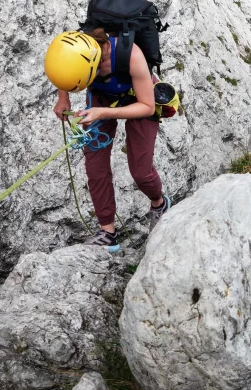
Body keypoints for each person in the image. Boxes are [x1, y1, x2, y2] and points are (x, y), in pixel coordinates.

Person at [51, 27, 169, 252]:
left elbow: (147, 106)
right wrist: (63, 97)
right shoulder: (78, 49)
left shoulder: (132, 56)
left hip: (139, 98)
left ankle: (159, 204)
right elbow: (63, 67)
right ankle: (107, 232)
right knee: (95, 166)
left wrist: (103, 113)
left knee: (141, 171)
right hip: (102, 98)